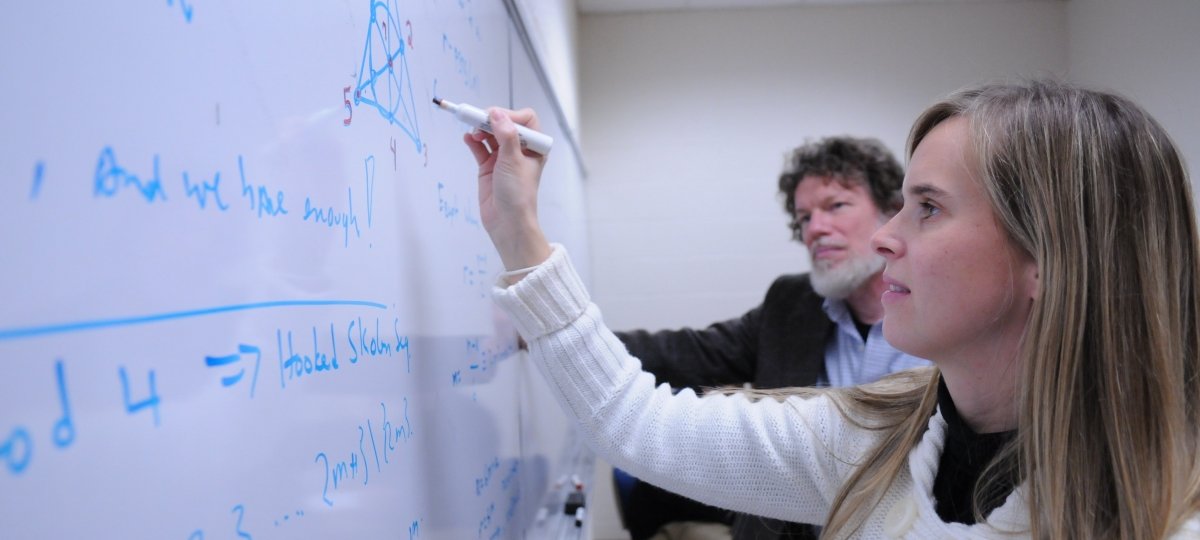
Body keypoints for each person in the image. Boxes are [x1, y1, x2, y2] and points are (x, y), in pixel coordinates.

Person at [465, 79, 1200, 538]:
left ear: (1052, 256)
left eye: (928, 209)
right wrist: (517, 231)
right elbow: (638, 422)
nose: (886, 239)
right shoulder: (870, 443)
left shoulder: (1171, 511)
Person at [612, 136, 930, 540]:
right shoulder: (793, 303)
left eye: (836, 206)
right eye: (804, 218)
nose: (815, 229)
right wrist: (561, 332)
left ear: (890, 210)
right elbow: (691, 352)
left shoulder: (943, 312)